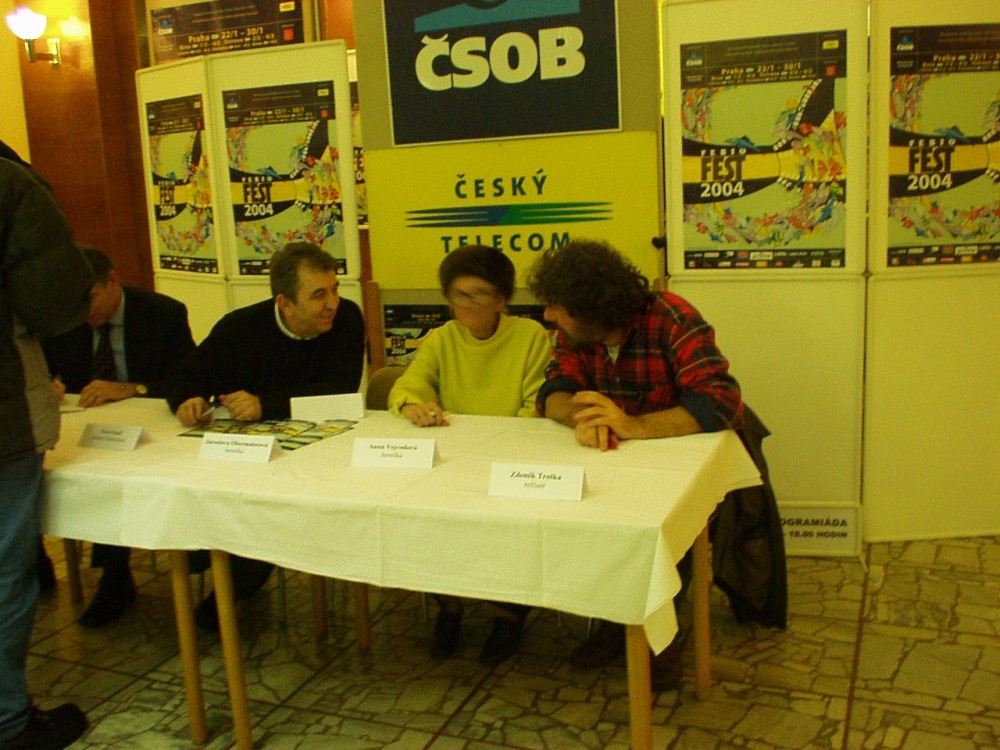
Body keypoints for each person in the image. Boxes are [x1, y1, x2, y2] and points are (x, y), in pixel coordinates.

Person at [526, 238, 744, 690]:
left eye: (558, 308)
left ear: (592, 310)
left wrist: (632, 425)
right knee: (594, 528)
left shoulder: (671, 317)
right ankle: (617, 623)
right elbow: (554, 392)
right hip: (614, 459)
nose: (548, 315)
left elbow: (719, 401)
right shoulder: (573, 332)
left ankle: (661, 639)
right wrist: (581, 417)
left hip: (675, 457)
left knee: (665, 534)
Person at [166, 241, 365, 630]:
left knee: (270, 511)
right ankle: (203, 560)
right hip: (244, 457)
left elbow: (340, 392)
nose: (333, 303)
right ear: (284, 303)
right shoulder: (240, 327)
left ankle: (222, 602)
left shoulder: (347, 319)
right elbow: (185, 374)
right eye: (319, 294)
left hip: (318, 458)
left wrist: (265, 404)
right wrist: (187, 399)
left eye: (335, 289)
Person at [386, 244, 551, 665]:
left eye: (481, 294)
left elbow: (536, 404)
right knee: (425, 509)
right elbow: (409, 385)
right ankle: (449, 606)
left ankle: (508, 615)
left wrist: (494, 448)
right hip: (456, 458)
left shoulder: (530, 336)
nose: (469, 304)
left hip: (513, 457)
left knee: (512, 519)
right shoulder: (443, 338)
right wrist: (414, 405)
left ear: (502, 299)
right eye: (460, 294)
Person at [42, 246, 196, 627]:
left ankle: (115, 576)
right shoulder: (64, 320)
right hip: (86, 429)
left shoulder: (163, 314)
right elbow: (47, 368)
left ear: (113, 280)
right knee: (41, 468)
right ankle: (35, 563)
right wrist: (49, 383)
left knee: (115, 476)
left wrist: (133, 388)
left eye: (91, 298)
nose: (84, 312)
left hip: (149, 432)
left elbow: (187, 378)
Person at [1, 156, 93, 748]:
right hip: (3, 414)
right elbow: (56, 302)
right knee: (5, 573)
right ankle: (8, 721)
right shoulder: (9, 183)